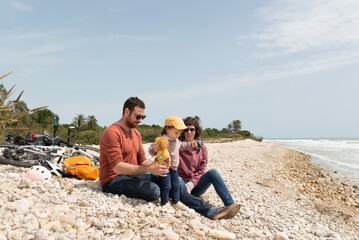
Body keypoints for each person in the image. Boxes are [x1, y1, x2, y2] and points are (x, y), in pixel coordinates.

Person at [100, 97, 239, 220]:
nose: (140, 120)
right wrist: (149, 168)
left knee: (174, 182)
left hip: (135, 174)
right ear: (126, 112)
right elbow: (117, 166)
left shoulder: (136, 134)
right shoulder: (112, 132)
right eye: (137, 117)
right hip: (114, 179)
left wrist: (159, 167)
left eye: (143, 117)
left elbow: (142, 160)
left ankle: (209, 210)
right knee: (154, 190)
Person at [178, 116, 241, 218]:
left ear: (196, 130)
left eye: (192, 129)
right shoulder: (177, 145)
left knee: (213, 173)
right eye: (186, 129)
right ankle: (206, 209)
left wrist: (191, 184)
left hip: (195, 184)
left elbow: (202, 170)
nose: (189, 132)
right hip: (180, 183)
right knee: (177, 179)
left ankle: (230, 205)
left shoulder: (201, 147)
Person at [149, 115, 197, 210]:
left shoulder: (177, 141)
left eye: (179, 133)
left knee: (176, 186)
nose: (178, 135)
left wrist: (191, 144)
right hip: (163, 168)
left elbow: (183, 146)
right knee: (166, 186)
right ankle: (164, 202)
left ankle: (176, 202)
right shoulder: (161, 140)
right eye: (176, 132)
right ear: (167, 129)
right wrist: (155, 149)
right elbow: (151, 150)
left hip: (174, 168)